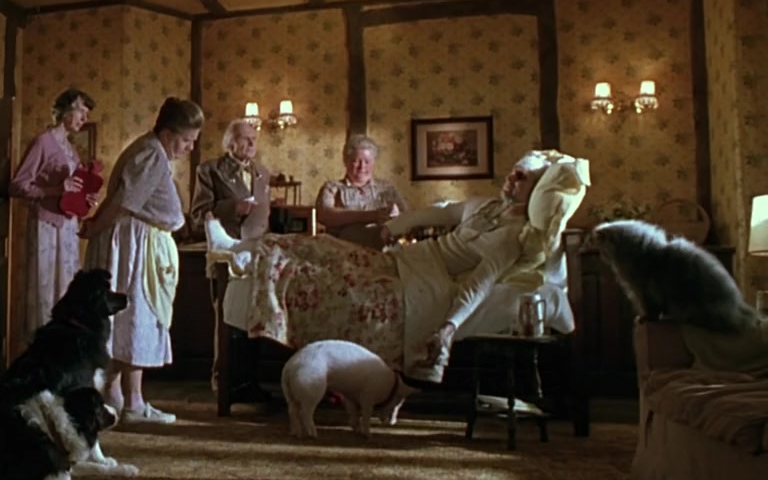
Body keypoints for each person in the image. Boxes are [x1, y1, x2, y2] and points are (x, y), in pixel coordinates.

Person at [205, 150, 587, 383]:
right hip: (404, 259)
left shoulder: (513, 236)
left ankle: (243, 257)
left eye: (522, 178)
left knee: (326, 277)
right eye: (513, 172)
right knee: (320, 245)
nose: (511, 180)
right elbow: (434, 213)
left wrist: (450, 326)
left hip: (422, 283)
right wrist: (392, 228)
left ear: (536, 191)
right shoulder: (484, 206)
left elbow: (480, 283)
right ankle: (238, 250)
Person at [81, 97, 205, 424]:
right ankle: (129, 401)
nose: (190, 147)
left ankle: (119, 398)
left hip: (138, 240)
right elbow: (123, 202)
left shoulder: (152, 151)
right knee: (135, 314)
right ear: (167, 134)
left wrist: (97, 224)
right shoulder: (150, 154)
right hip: (134, 246)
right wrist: (96, 226)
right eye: (187, 140)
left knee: (132, 317)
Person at [9, 88, 97, 340]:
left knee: (67, 289)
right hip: (46, 226)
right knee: (45, 288)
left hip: (68, 228)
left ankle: (64, 347)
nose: (84, 118)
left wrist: (84, 199)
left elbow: (71, 192)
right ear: (65, 110)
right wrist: (56, 189)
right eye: (81, 111)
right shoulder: (43, 141)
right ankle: (43, 347)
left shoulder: (71, 149)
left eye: (87, 113)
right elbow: (17, 186)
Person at [315, 135, 409, 248]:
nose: (362, 166)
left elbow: (406, 217)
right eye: (356, 161)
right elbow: (324, 215)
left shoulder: (387, 188)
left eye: (367, 162)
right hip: (343, 249)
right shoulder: (332, 188)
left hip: (383, 249)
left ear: (374, 163)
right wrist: (372, 215)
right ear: (346, 161)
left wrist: (394, 216)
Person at [190, 119, 271, 240]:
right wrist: (235, 208)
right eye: (245, 138)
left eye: (254, 139)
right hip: (227, 243)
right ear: (230, 143)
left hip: (258, 244)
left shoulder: (263, 172)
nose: (251, 143)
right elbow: (198, 216)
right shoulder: (210, 170)